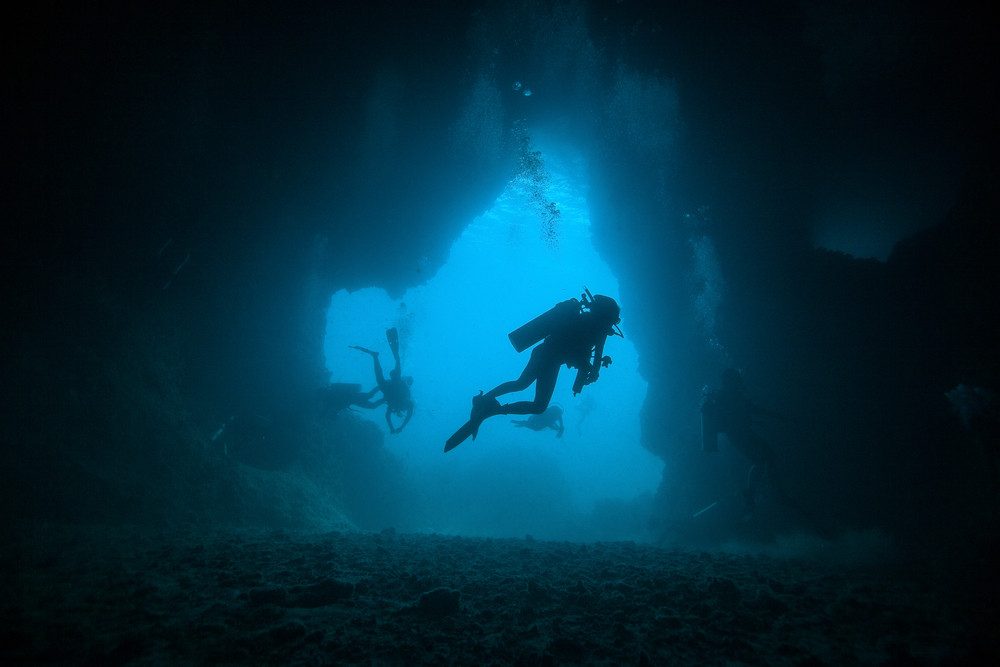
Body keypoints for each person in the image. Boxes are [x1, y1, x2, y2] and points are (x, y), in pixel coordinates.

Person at [445, 291, 622, 451]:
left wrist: (590, 370)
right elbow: (592, 355)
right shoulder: (595, 329)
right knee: (530, 396)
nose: (612, 326)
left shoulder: (591, 325)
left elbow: (591, 355)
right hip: (548, 357)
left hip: (548, 357)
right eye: (612, 321)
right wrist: (590, 371)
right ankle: (487, 407)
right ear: (605, 317)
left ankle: (485, 404)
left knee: (524, 388)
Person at [701, 368, 787, 518]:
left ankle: (757, 493)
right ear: (731, 380)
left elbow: (746, 411)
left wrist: (770, 417)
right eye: (736, 378)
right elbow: (741, 414)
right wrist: (773, 416)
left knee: (763, 459)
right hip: (739, 435)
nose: (739, 380)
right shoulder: (726, 395)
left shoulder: (731, 394)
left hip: (741, 433)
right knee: (764, 458)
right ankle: (767, 493)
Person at [350, 327, 414, 434]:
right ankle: (379, 356)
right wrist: (398, 428)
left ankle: (375, 357)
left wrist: (393, 428)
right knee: (386, 379)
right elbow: (407, 415)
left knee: (377, 390)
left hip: (389, 390)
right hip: (395, 387)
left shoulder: (393, 404)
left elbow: (387, 415)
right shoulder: (407, 401)